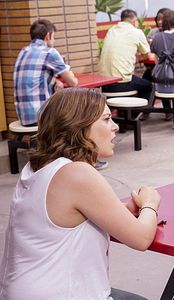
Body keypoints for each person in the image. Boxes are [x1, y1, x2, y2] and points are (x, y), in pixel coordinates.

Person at [0, 88, 160, 299]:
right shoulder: (77, 173)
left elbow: (67, 218)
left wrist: (125, 209)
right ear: (79, 127)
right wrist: (150, 203)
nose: (115, 127)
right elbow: (141, 238)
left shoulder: (39, 168)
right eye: (106, 119)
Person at [14, 19, 78, 126]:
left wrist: (55, 80)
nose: (54, 41)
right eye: (54, 37)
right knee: (74, 115)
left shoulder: (23, 51)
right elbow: (73, 82)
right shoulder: (49, 52)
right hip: (41, 116)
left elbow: (36, 76)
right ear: (48, 36)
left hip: (23, 117)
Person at [99, 9, 152, 101]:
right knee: (148, 86)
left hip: (104, 83)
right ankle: (138, 113)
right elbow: (147, 55)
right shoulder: (136, 32)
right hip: (121, 83)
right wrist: (138, 58)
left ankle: (127, 112)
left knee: (137, 81)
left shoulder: (112, 30)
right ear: (135, 20)